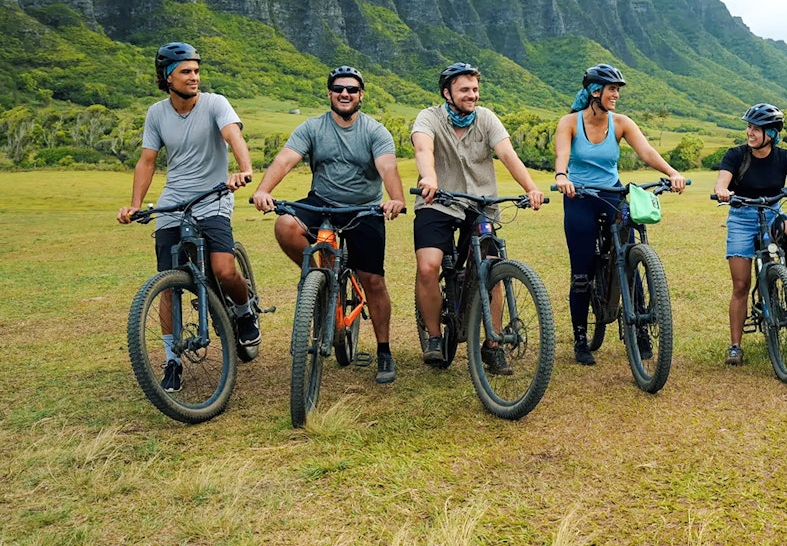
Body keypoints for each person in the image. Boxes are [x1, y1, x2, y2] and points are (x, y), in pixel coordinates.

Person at [252, 66, 406, 384]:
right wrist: (264, 189)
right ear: (329, 94)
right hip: (321, 204)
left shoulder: (375, 131)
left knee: (373, 281)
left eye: (351, 89)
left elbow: (387, 166)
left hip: (363, 210)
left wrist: (395, 197)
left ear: (361, 95)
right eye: (338, 89)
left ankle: (384, 350)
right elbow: (285, 159)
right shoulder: (312, 127)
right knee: (285, 225)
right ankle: (320, 280)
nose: (344, 93)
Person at [117, 42, 257, 392]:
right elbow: (147, 161)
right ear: (167, 77)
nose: (194, 77)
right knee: (168, 283)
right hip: (174, 200)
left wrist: (244, 169)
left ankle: (244, 311)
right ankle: (172, 360)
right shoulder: (156, 113)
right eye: (186, 71)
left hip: (213, 197)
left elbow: (233, 135)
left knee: (224, 269)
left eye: (196, 70)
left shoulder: (215, 103)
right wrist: (136, 203)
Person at [411, 62, 545, 375]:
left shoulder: (486, 118)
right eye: (464, 90)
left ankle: (492, 345)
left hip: (481, 203)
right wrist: (429, 178)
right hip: (438, 202)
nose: (472, 95)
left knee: (492, 268)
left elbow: (508, 154)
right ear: (447, 93)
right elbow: (423, 149)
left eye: (474, 89)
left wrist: (531, 188)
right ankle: (432, 335)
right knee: (428, 266)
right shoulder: (428, 117)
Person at [553, 64, 687, 366]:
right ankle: (580, 338)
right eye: (611, 89)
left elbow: (647, 152)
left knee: (628, 258)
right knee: (582, 272)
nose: (616, 95)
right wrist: (562, 176)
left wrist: (671, 172)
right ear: (594, 91)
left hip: (612, 194)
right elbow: (562, 154)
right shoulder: (570, 123)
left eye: (617, 90)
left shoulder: (622, 122)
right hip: (580, 196)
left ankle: (639, 329)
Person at [712, 104, 787, 366]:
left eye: (756, 129)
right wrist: (723, 190)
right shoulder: (736, 155)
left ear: (772, 133)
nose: (750, 132)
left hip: (771, 213)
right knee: (741, 285)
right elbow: (722, 181)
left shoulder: (784, 157)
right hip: (742, 218)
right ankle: (735, 346)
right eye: (749, 127)